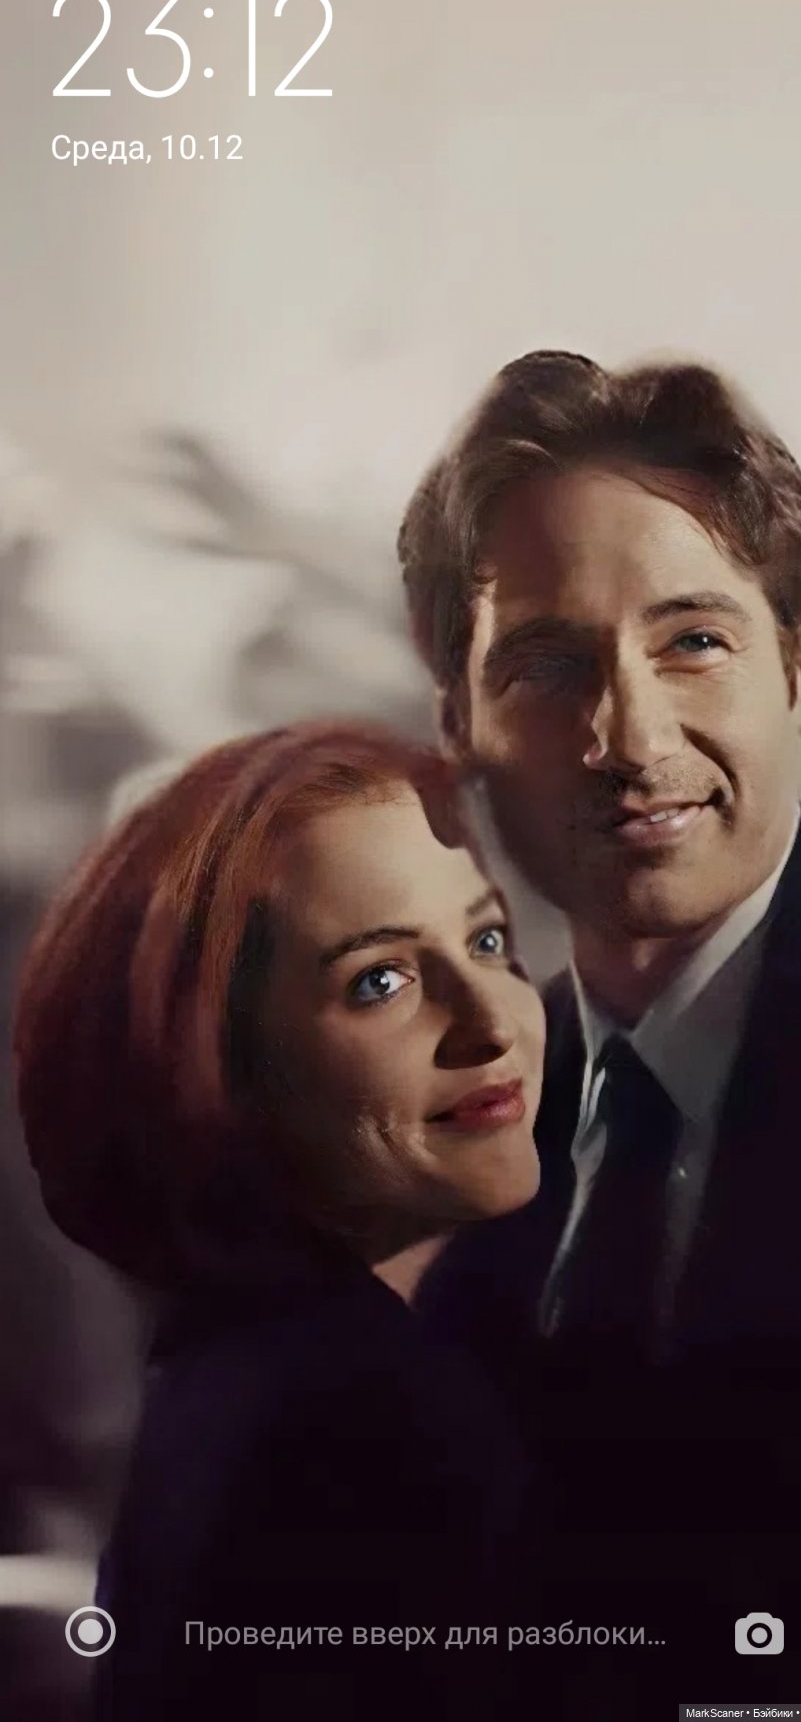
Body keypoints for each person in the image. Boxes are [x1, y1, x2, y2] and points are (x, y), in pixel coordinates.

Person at [398, 350, 801, 1698]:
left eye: (693, 641)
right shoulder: (464, 1116)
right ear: (458, 726)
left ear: (797, 673)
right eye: (545, 665)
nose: (629, 737)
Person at [13, 722, 547, 1720]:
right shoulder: (365, 1423)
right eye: (379, 980)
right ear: (223, 1072)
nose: (491, 1021)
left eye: (485, 940)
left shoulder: (240, 1374)